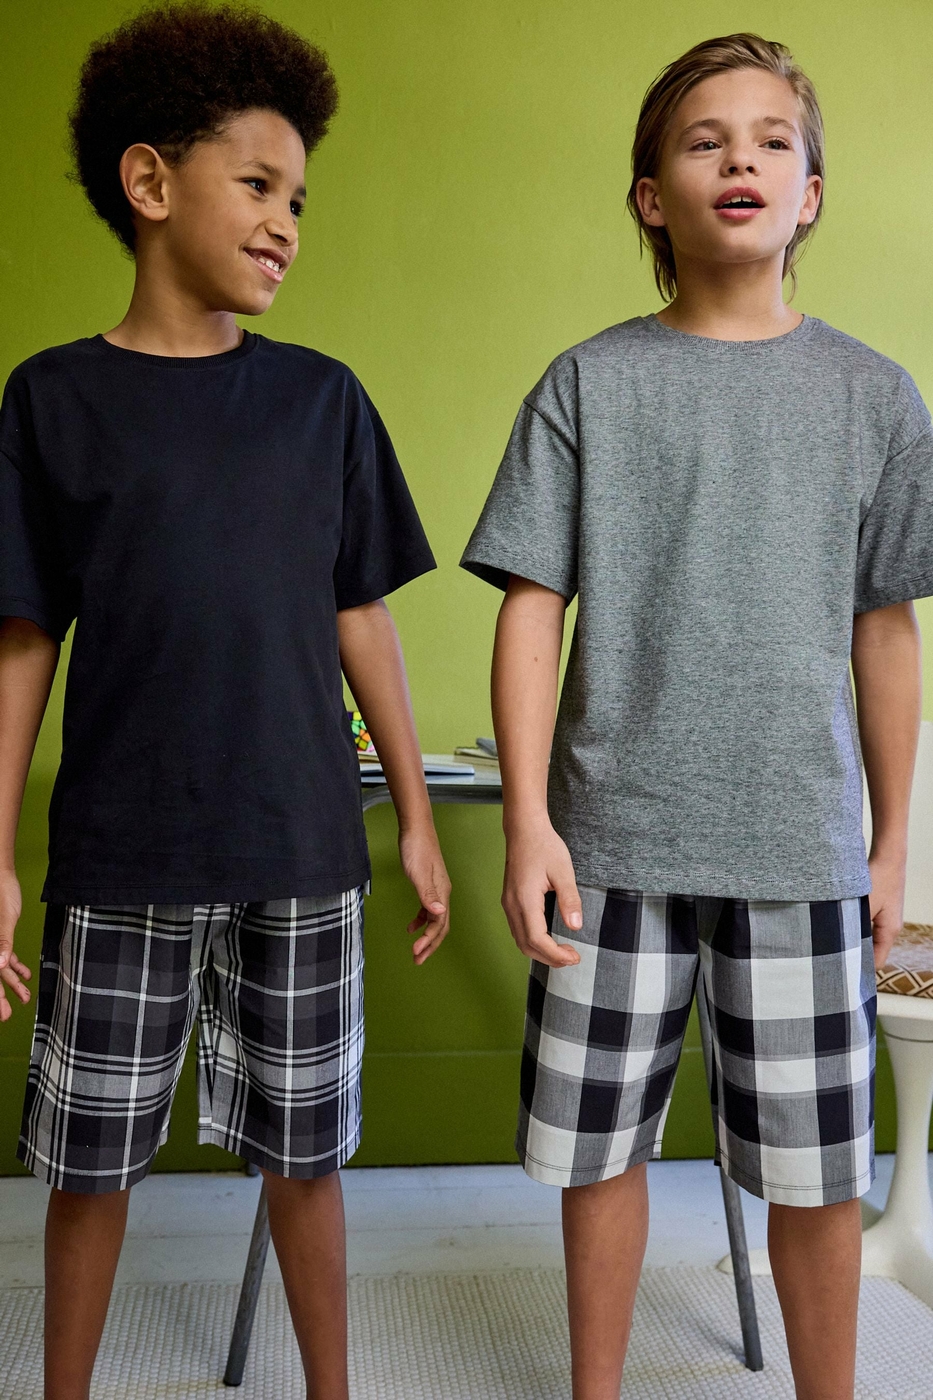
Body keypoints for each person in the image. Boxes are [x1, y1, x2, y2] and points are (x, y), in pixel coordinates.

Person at [462, 32, 933, 1400]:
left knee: (814, 1170)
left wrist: (888, 840)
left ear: (810, 194)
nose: (740, 159)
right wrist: (531, 824)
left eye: (772, 140)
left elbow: (886, 628)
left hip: (799, 846)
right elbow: (530, 610)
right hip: (610, 845)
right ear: (648, 196)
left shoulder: (874, 396)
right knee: (596, 1150)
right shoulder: (587, 384)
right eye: (702, 139)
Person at [0, 6, 450, 1398]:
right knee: (88, 1164)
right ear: (150, 182)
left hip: (301, 847)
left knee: (306, 1158)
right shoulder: (52, 402)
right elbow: (23, 642)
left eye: (298, 200)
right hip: (122, 854)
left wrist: (416, 817)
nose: (285, 225)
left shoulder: (322, 402)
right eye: (258, 185)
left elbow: (360, 618)